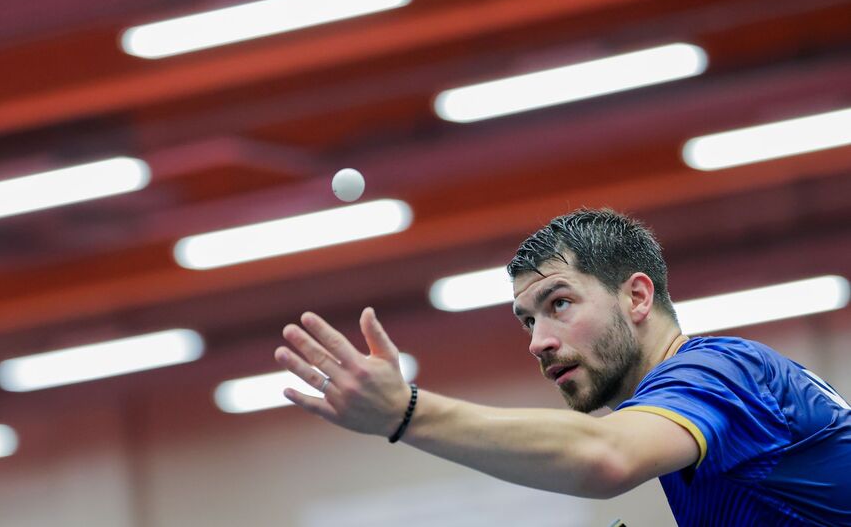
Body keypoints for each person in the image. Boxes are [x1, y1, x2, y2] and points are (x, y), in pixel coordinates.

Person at [274, 208, 851, 526]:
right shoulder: (698, 417)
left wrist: (406, 413)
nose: (538, 342)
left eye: (560, 304)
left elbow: (602, 458)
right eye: (528, 321)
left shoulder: (722, 374)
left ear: (638, 298)